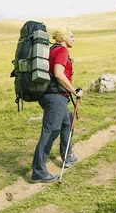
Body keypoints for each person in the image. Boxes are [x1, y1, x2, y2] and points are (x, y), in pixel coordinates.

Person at [30, 27, 83, 183]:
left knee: (67, 122)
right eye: (71, 36)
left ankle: (67, 156)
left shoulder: (51, 50)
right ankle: (38, 172)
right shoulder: (61, 51)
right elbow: (58, 73)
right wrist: (74, 91)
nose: (74, 38)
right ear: (63, 37)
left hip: (50, 95)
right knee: (50, 132)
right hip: (56, 97)